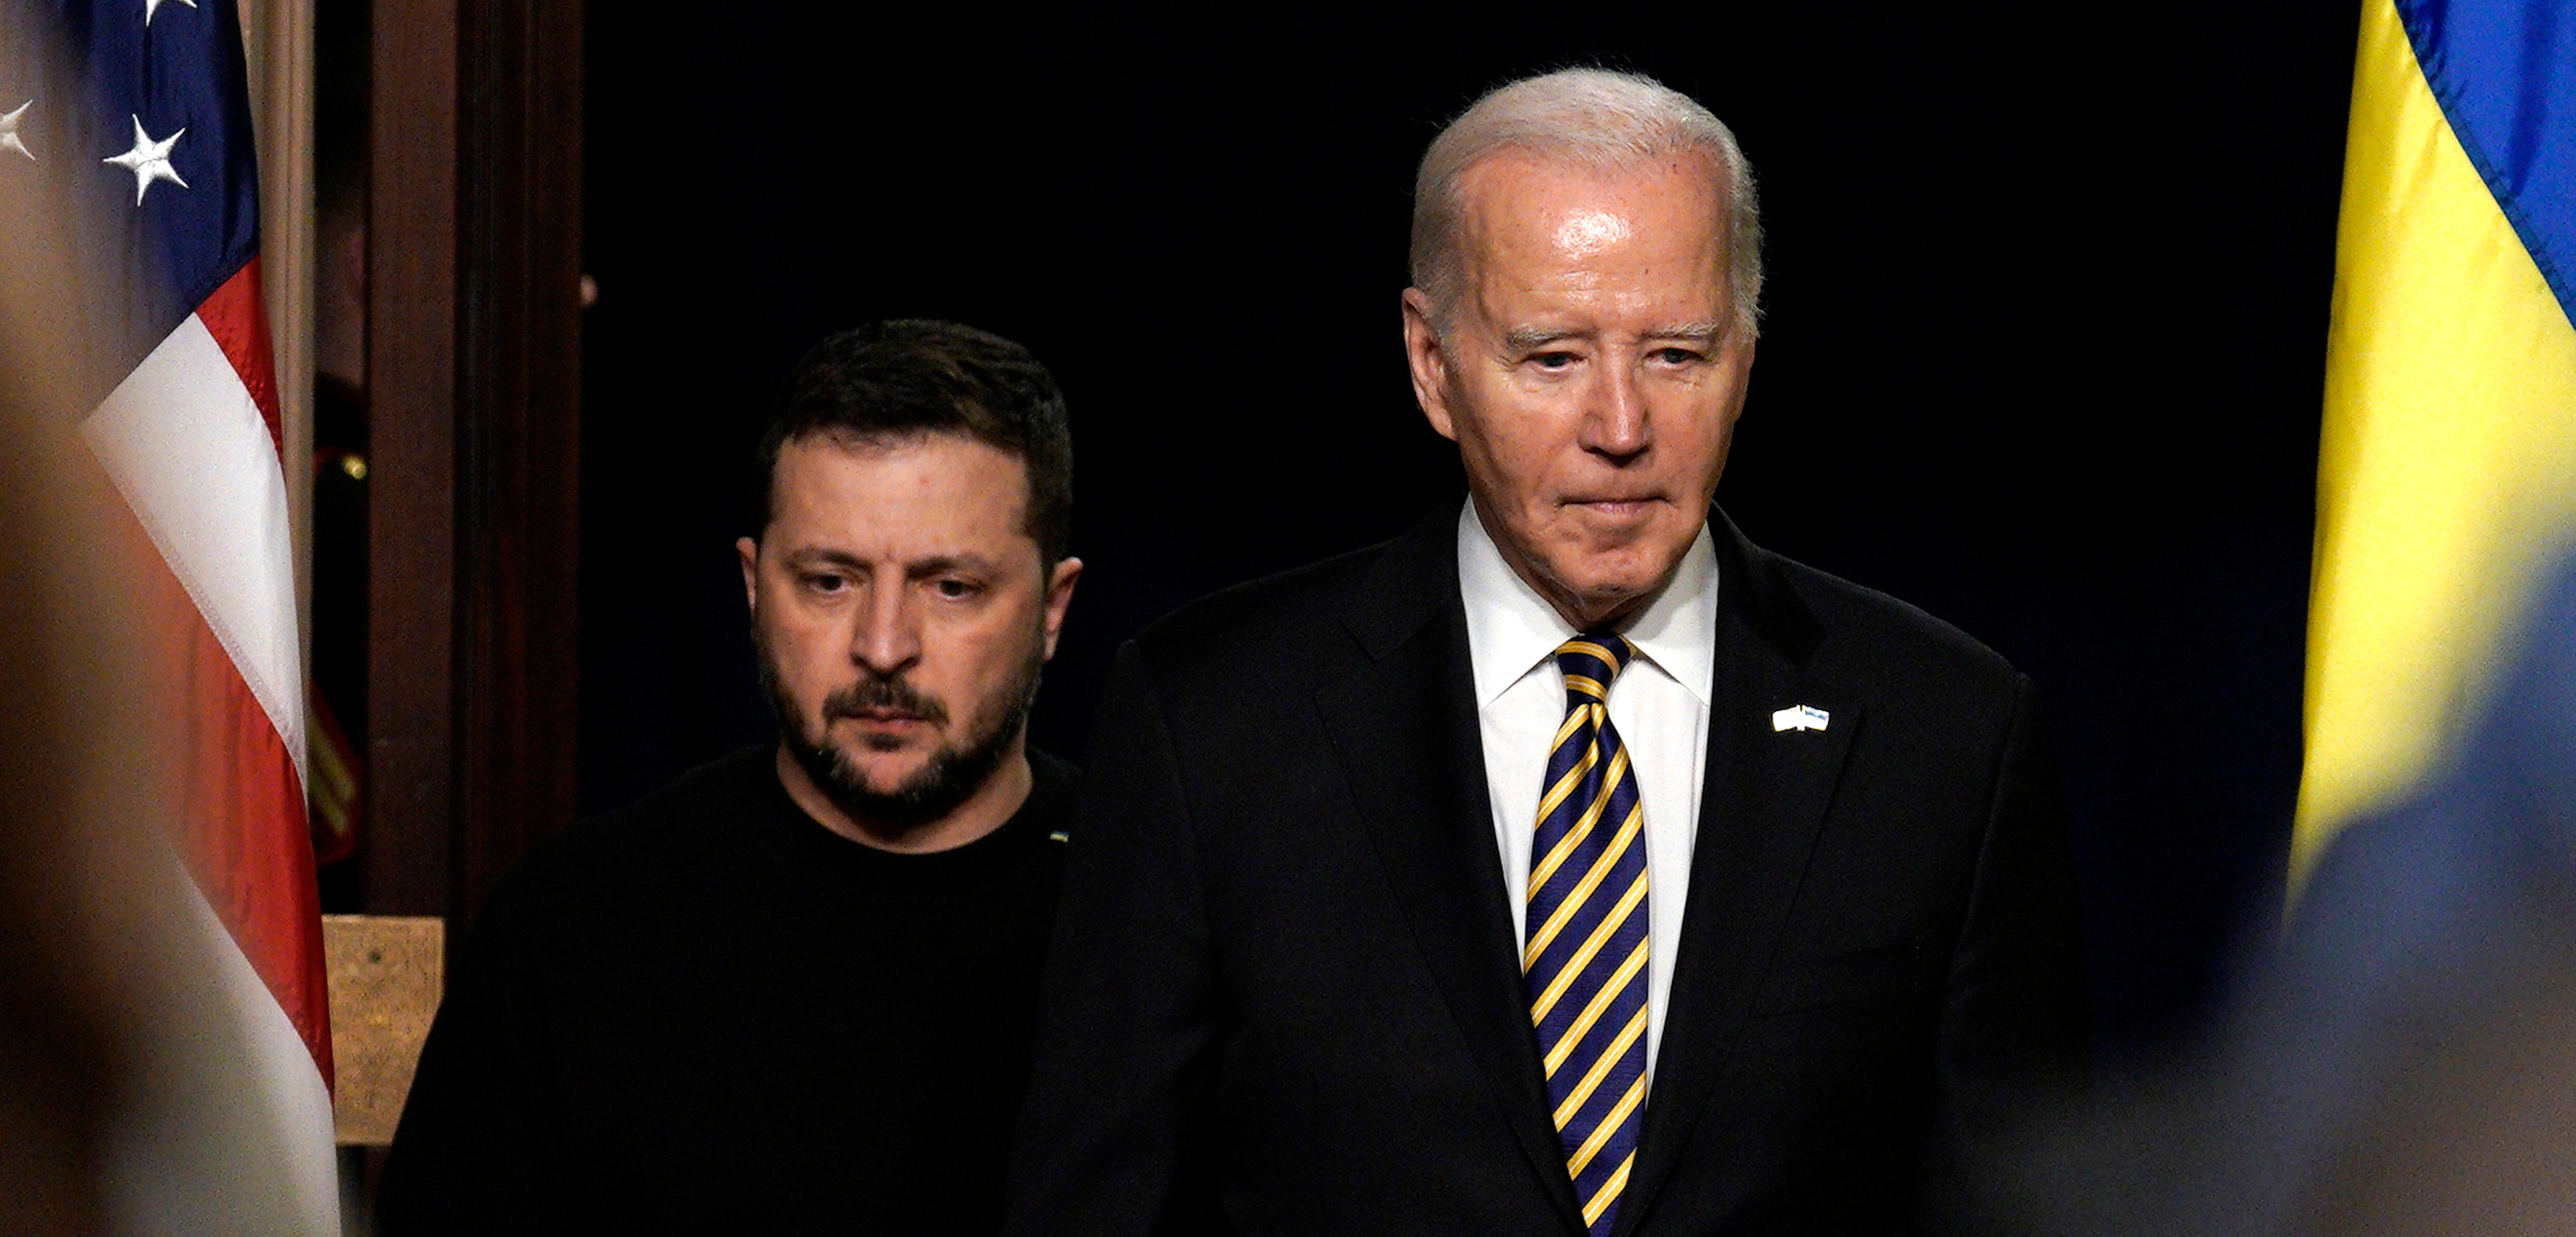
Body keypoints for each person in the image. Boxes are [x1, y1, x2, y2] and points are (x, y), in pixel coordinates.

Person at [1005, 70, 2087, 1236]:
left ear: (1750, 352)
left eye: (1677, 354)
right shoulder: (1214, 722)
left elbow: (2018, 1202)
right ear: (1432, 363)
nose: (1621, 428)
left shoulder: (1943, 735)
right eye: (1554, 357)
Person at [378, 320, 1084, 1236]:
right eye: (829, 580)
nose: (882, 645)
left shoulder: (1156, 913)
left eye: (950, 586)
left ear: (1053, 608)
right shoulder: (575, 925)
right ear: (754, 588)